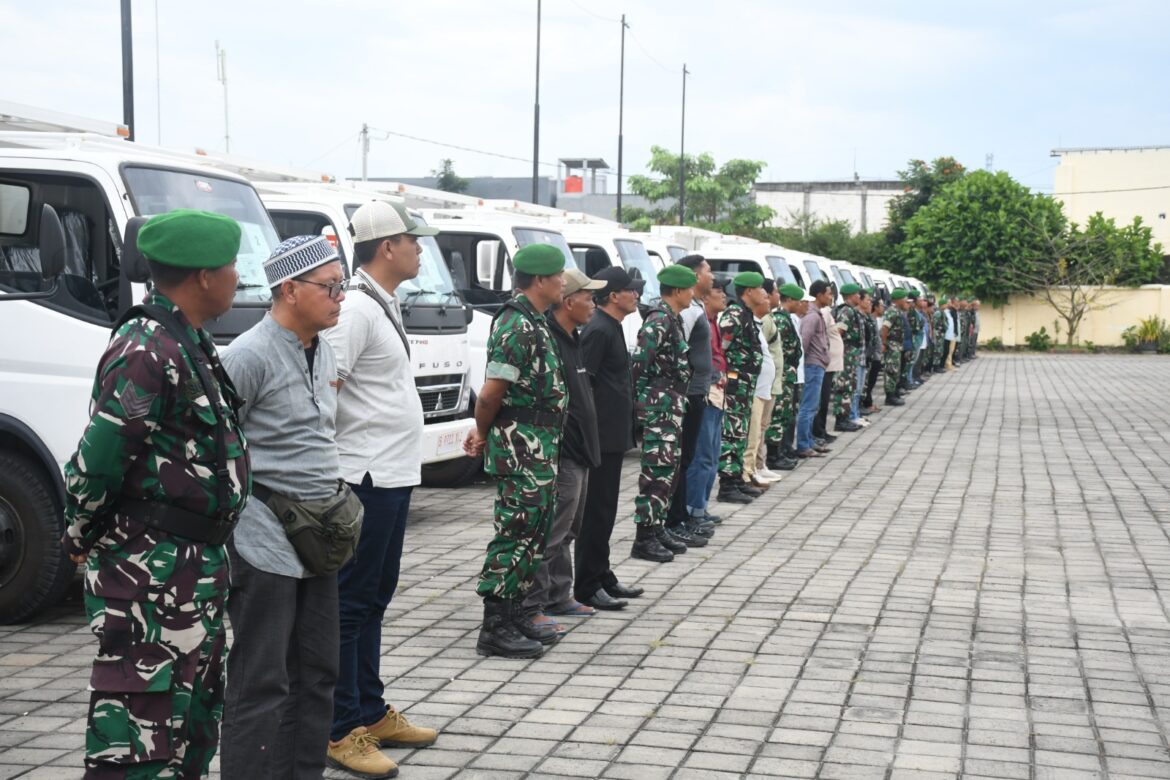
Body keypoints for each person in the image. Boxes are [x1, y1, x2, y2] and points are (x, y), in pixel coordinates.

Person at [62, 209, 250, 778]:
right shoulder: (147, 348)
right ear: (202, 277)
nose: (237, 278)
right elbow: (98, 461)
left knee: (190, 726)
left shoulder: (185, 338)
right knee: (140, 741)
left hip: (192, 569)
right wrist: (78, 535)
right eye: (231, 266)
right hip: (149, 573)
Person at [220, 236, 352, 778]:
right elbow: (218, 450)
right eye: (330, 286)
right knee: (261, 681)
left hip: (317, 541)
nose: (340, 296)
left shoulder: (324, 348)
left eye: (343, 285)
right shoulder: (248, 356)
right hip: (263, 541)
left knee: (318, 670)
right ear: (289, 289)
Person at [323, 201, 438, 777]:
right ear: (387, 245)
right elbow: (326, 389)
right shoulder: (356, 310)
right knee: (350, 604)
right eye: (414, 241)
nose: (421, 249)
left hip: (391, 473)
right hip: (363, 475)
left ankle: (369, 710)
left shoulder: (380, 301)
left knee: (375, 597)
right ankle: (341, 728)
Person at [464, 243, 568, 657]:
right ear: (540, 280)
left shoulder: (535, 321)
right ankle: (494, 626)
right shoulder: (515, 326)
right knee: (516, 533)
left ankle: (518, 613)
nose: (564, 282)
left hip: (539, 449)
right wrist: (480, 430)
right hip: (521, 449)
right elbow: (491, 394)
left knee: (534, 535)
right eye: (559, 276)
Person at [522, 268, 605, 626]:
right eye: (589, 297)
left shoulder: (574, 338)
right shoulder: (550, 338)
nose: (593, 304)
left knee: (569, 530)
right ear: (569, 301)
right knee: (551, 532)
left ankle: (559, 594)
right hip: (562, 451)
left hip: (581, 450)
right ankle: (534, 604)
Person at [575, 267, 645, 611]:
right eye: (630, 290)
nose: (636, 295)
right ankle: (586, 584)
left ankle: (602, 574)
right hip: (599, 438)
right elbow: (584, 384)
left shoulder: (612, 327)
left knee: (606, 511)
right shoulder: (598, 331)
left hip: (614, 435)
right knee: (595, 513)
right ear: (614, 295)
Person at [630, 263, 699, 561]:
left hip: (671, 405)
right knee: (657, 470)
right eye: (691, 289)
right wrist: (641, 402)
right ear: (679, 291)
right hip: (660, 407)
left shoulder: (672, 318)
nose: (693, 295)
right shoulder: (659, 320)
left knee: (669, 469)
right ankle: (644, 536)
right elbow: (639, 363)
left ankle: (657, 527)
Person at [665, 255, 718, 543]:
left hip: (697, 390)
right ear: (695, 277)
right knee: (682, 459)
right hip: (689, 392)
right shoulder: (687, 313)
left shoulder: (694, 307)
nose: (712, 276)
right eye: (708, 271)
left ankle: (680, 517)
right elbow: (676, 350)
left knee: (685, 458)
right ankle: (676, 519)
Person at [716, 272, 767, 502]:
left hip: (745, 387)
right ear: (748, 292)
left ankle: (737, 479)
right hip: (734, 386)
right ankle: (727, 486)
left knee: (740, 433)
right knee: (731, 434)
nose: (764, 293)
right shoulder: (734, 315)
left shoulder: (745, 314)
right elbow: (721, 348)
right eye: (760, 289)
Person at [685, 284, 729, 521]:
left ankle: (701, 505)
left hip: (718, 392)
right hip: (706, 391)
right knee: (702, 455)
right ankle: (692, 509)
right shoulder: (699, 320)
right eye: (718, 292)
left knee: (712, 454)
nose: (723, 296)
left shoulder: (713, 321)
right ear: (704, 297)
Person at [744, 278, 782, 488]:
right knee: (753, 431)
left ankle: (754, 469)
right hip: (754, 387)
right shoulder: (749, 321)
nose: (769, 300)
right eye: (766, 295)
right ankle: (749, 472)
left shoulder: (759, 322)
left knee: (759, 430)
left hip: (765, 386)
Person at [765, 283, 805, 470]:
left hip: (788, 372)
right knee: (778, 414)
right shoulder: (780, 319)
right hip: (781, 373)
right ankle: (773, 456)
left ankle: (780, 451)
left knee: (785, 413)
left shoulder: (786, 317)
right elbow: (778, 349)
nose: (800, 304)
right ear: (789, 300)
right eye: (798, 300)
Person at [797, 279, 833, 458]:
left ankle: (809, 440)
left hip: (817, 364)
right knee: (808, 407)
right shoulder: (811, 316)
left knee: (813, 406)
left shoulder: (816, 313)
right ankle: (803, 445)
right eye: (828, 293)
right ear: (818, 295)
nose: (831, 297)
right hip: (812, 365)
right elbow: (804, 340)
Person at [831, 283, 864, 433]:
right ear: (850, 296)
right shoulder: (846, 311)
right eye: (857, 294)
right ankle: (840, 419)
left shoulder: (850, 310)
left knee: (849, 386)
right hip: (846, 353)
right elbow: (839, 331)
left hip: (851, 353)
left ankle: (845, 417)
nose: (859, 297)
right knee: (843, 386)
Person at [814, 283, 842, 444]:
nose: (832, 297)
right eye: (829, 294)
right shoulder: (823, 313)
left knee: (824, 400)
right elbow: (820, 335)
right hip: (824, 363)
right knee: (821, 400)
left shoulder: (826, 312)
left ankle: (822, 430)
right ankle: (818, 432)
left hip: (829, 363)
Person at [883, 288, 911, 406]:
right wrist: (884, 344)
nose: (907, 303)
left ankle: (894, 392)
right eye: (905, 300)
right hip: (892, 345)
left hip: (897, 345)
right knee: (891, 370)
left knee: (896, 370)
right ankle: (890, 396)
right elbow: (884, 329)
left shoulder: (898, 311)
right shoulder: (892, 312)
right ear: (898, 300)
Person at [862, 294, 885, 413]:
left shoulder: (872, 319)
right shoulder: (867, 318)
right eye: (868, 301)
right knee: (867, 381)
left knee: (871, 381)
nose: (869, 304)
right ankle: (866, 403)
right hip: (869, 354)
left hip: (875, 354)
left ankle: (868, 402)